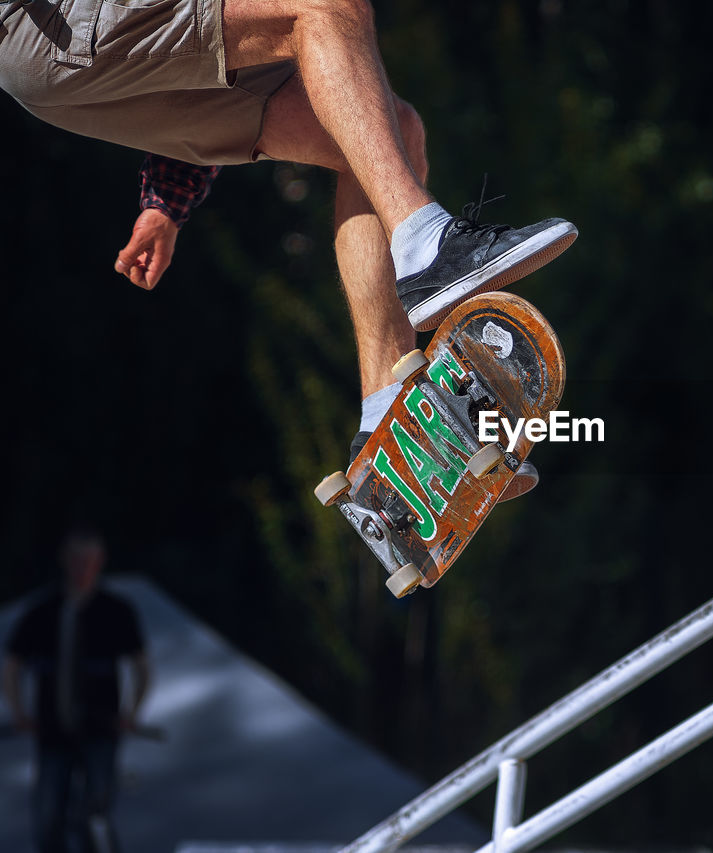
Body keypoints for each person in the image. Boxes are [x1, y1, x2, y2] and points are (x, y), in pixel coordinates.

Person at [0, 0, 577, 462]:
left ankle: (389, 419)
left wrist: (165, 201)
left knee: (383, 132)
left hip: (73, 53)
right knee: (324, 9)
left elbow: (188, 45)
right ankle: (428, 243)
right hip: (50, 20)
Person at [3, 528, 149, 853]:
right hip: (54, 729)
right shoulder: (43, 611)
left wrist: (132, 712)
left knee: (94, 813)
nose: (83, 568)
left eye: (90, 561)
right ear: (64, 561)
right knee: (49, 812)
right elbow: (12, 665)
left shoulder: (115, 610)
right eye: (77, 560)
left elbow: (141, 666)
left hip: (101, 727)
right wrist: (19, 712)